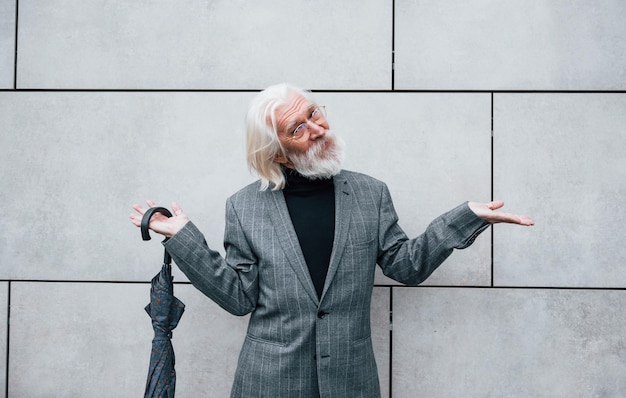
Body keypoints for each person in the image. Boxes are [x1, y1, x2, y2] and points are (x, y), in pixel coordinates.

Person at [130, 83, 534, 398]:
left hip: (350, 382)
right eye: (299, 128)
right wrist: (183, 238)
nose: (319, 128)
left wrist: (465, 218)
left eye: (314, 113)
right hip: (269, 383)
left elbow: (406, 265)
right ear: (279, 153)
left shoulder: (370, 194)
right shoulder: (244, 207)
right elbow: (239, 297)